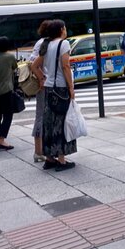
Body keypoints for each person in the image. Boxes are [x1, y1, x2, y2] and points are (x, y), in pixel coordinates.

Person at [31, 19, 77, 170]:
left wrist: (43, 79)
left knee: (49, 123)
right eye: (64, 28)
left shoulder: (47, 44)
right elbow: (65, 65)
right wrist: (71, 88)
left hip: (49, 89)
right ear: (61, 30)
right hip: (61, 88)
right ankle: (62, 160)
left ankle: (49, 158)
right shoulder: (63, 44)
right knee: (61, 122)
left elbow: (34, 65)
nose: (65, 30)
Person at [29, 20, 52, 162]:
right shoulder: (45, 43)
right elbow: (34, 64)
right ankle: (38, 150)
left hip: (43, 84)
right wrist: (42, 78)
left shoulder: (40, 42)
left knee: (41, 115)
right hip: (44, 85)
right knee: (42, 116)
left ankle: (40, 149)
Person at [0, 36, 18, 150]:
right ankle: (1, 140)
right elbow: (15, 67)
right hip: (6, 90)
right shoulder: (9, 57)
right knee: (8, 115)